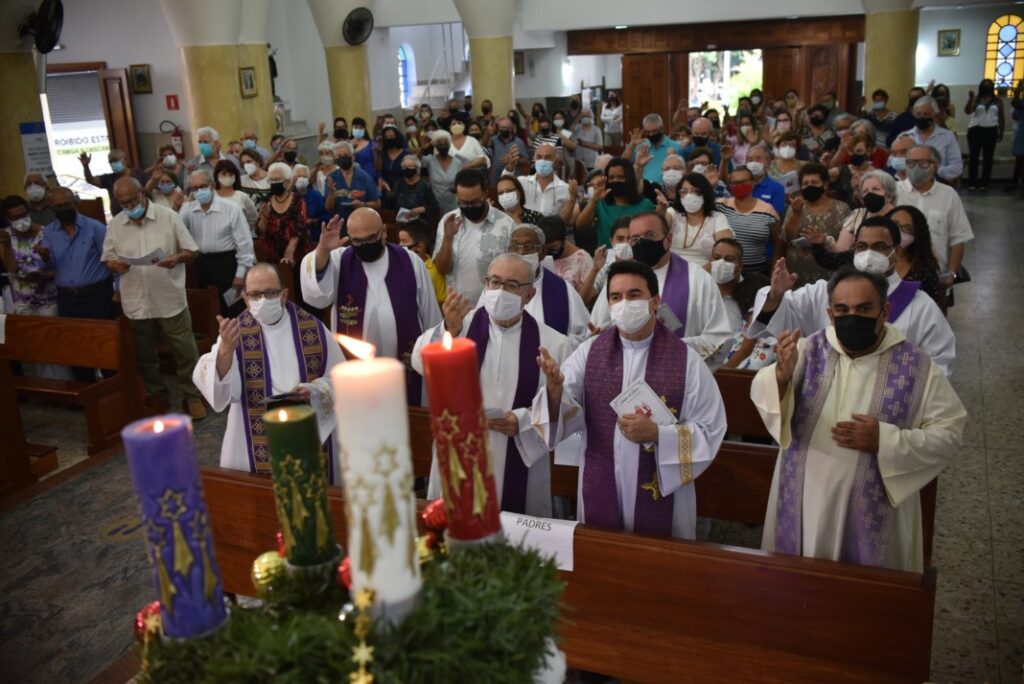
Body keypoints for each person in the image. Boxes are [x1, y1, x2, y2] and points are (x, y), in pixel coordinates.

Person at [754, 267, 966, 572]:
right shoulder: (808, 350)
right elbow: (765, 398)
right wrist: (780, 377)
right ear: (830, 313)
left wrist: (885, 439)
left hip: (874, 511)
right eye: (842, 309)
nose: (852, 316)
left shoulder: (916, 367)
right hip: (804, 503)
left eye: (864, 308)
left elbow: (950, 433)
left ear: (885, 311)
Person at [533, 259, 727, 539]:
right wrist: (553, 389)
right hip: (601, 479)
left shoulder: (686, 360)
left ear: (655, 301)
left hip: (660, 489)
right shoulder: (590, 352)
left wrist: (660, 434)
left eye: (634, 295)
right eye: (616, 297)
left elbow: (711, 428)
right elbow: (562, 415)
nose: (624, 303)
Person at [413, 254, 572, 515]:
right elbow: (422, 364)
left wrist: (522, 421)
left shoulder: (554, 344)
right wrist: (449, 331)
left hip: (520, 455)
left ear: (529, 294)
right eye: (494, 282)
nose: (500, 291)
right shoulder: (460, 327)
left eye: (511, 285)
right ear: (485, 284)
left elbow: (567, 409)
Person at [747, 217, 956, 376]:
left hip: (887, 407)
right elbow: (779, 319)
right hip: (827, 396)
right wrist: (775, 296)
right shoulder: (824, 292)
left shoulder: (920, 306)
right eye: (862, 247)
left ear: (898, 251)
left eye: (880, 247)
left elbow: (939, 365)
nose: (869, 254)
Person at [193, 263, 344, 481]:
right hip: (254, 437)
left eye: (270, 293)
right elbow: (220, 393)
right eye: (255, 295)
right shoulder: (234, 332)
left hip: (305, 426)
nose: (263, 300)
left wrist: (312, 392)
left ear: (284, 295)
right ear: (245, 298)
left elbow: (341, 379)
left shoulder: (314, 328)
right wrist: (225, 351)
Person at [301, 208, 441, 405]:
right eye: (357, 241)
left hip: (407, 370)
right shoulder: (339, 260)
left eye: (370, 238)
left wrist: (429, 354)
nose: (365, 245)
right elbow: (317, 297)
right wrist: (323, 251)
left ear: (383, 231)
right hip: (356, 373)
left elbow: (430, 314)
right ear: (349, 237)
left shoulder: (410, 261)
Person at [103, 177, 205, 417]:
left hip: (169, 297)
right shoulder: (116, 224)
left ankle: (192, 397)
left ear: (142, 193)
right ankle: (157, 395)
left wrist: (175, 259)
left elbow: (192, 251)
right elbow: (108, 258)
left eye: (132, 200)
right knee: (145, 354)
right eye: (123, 203)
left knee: (185, 351)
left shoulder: (167, 216)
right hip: (136, 299)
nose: (129, 207)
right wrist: (114, 265)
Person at [589, 212, 732, 359]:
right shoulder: (619, 279)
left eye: (650, 236)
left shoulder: (697, 279)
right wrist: (599, 338)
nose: (642, 243)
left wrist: (672, 347)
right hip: (624, 368)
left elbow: (719, 339)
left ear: (668, 239)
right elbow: (597, 326)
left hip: (676, 369)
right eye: (635, 238)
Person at [432, 169, 516, 304]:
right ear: (457, 198)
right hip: (458, 307)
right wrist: (448, 238)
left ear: (485, 194)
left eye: (476, 202)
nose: (470, 207)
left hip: (493, 307)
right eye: (464, 203)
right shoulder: (448, 221)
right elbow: (441, 270)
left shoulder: (506, 224)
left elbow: (513, 270)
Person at [179, 169, 256, 316]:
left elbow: (244, 244)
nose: (199, 191)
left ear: (212, 185)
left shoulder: (231, 208)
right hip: (202, 263)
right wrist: (183, 205)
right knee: (211, 309)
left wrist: (240, 274)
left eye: (202, 186)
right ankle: (219, 339)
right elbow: (177, 228)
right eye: (194, 188)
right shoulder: (189, 209)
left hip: (227, 264)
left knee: (234, 309)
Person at [895, 145, 973, 283]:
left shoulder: (948, 195)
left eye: (923, 163)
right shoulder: (895, 192)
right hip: (898, 275)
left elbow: (958, 239)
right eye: (911, 163)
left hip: (937, 275)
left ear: (936, 165)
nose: (915, 168)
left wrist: (951, 274)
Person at [505, 223, 590, 349]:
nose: (521, 252)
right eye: (515, 246)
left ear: (543, 252)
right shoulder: (498, 287)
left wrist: (555, 346)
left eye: (529, 246)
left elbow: (583, 335)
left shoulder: (563, 290)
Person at [704, 238, 774, 370]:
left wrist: (725, 371)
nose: (721, 263)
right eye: (716, 258)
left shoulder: (755, 290)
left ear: (740, 265)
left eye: (729, 259)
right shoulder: (701, 290)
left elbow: (749, 346)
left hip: (737, 365)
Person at [782, 163, 849, 285]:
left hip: (828, 274)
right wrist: (796, 214)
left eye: (814, 182)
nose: (809, 186)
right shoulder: (795, 207)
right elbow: (788, 237)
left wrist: (825, 242)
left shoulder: (842, 208)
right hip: (797, 274)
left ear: (825, 184)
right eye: (805, 183)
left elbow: (845, 244)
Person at [577, 157, 656, 248]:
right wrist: (594, 202)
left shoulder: (645, 205)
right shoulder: (600, 203)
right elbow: (581, 226)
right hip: (606, 258)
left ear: (629, 179)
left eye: (620, 177)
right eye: (611, 177)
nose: (615, 180)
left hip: (637, 258)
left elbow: (652, 235)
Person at [716, 166, 781, 276]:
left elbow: (778, 245)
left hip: (758, 273)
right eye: (734, 182)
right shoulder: (721, 206)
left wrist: (774, 272)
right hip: (726, 272)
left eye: (744, 181)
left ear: (753, 183)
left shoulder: (768, 211)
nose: (739, 185)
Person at [0, 195, 57, 317]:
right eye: (14, 218)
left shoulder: (46, 233)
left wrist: (43, 274)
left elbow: (59, 267)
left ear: (28, 212)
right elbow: (11, 269)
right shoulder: (5, 236)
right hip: (22, 301)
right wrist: (7, 245)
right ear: (7, 219)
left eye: (23, 215)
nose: (20, 220)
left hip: (48, 299)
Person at [665, 172, 733, 267]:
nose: (689, 196)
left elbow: (726, 250)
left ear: (705, 193)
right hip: (672, 271)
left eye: (695, 191)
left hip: (706, 273)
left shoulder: (717, 218)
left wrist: (699, 276)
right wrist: (660, 211)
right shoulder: (673, 213)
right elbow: (657, 229)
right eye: (684, 192)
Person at [829, 170, 897, 253]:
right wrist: (827, 243)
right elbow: (841, 250)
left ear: (889, 195)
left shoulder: (900, 216)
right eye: (865, 191)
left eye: (875, 189)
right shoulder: (856, 215)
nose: (870, 193)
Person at [502, 143, 575, 220]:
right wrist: (510, 167)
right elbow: (504, 187)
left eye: (547, 157)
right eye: (539, 157)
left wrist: (573, 199)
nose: (542, 161)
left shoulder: (565, 189)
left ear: (555, 161)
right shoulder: (522, 182)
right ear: (534, 159)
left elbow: (567, 220)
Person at [256, 162, 304, 266]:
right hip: (271, 253)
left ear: (286, 182)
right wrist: (265, 217)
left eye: (277, 179)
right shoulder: (266, 201)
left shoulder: (297, 200)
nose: (274, 183)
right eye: (271, 180)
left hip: (295, 252)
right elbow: (261, 231)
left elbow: (300, 228)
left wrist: (290, 250)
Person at [906, 97, 963, 183]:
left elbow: (957, 166)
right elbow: (895, 163)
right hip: (910, 184)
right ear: (914, 114)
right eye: (918, 114)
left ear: (934, 114)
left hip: (940, 184)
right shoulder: (905, 137)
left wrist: (935, 170)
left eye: (926, 114)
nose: (922, 117)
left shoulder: (947, 136)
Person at [580, 217, 633, 307]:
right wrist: (594, 269)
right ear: (611, 241)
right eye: (620, 239)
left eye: (630, 239)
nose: (625, 244)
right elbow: (583, 301)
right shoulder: (605, 260)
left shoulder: (647, 262)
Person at [77, 149, 148, 216]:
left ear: (125, 160)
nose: (113, 164)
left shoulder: (139, 174)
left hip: (140, 214)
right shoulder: (109, 178)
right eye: (110, 162)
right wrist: (86, 166)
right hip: (119, 219)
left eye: (115, 160)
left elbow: (149, 192)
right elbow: (91, 180)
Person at [323, 140, 381, 221]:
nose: (343, 158)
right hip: (340, 224)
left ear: (352, 156)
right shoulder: (331, 178)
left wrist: (362, 204)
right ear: (335, 159)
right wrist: (331, 192)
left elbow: (377, 203)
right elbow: (328, 208)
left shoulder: (365, 177)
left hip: (362, 222)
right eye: (339, 156)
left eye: (346, 155)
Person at [964, 79, 1005, 191]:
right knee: (974, 158)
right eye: (985, 85)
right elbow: (967, 111)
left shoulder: (997, 100)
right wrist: (971, 99)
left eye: (989, 85)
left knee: (988, 158)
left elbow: (1001, 116)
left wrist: (1001, 130)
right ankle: (972, 183)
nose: (987, 87)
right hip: (975, 130)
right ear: (981, 87)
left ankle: (984, 184)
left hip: (991, 130)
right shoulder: (977, 99)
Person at [539, 214, 593, 293]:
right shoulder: (541, 257)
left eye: (553, 247)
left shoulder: (583, 259)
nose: (549, 252)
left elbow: (588, 295)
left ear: (564, 239)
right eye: (545, 249)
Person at [626, 114, 684, 185]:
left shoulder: (676, 147)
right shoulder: (642, 145)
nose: (651, 134)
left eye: (654, 131)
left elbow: (684, 171)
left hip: (666, 189)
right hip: (643, 189)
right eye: (648, 132)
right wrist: (631, 145)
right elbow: (623, 163)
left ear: (662, 129)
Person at [398, 220, 446, 304]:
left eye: (404, 241)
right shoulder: (398, 266)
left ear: (419, 246)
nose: (400, 245)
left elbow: (441, 302)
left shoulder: (435, 271)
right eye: (400, 241)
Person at [421, 130, 464, 217]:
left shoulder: (457, 162)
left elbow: (460, 182)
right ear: (435, 146)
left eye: (445, 144)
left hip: (453, 203)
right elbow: (416, 161)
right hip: (435, 204)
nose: (443, 147)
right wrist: (423, 148)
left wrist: (457, 188)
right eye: (440, 145)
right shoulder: (429, 160)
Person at [214, 159, 258, 234]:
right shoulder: (212, 196)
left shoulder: (242, 196)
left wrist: (244, 231)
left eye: (231, 174)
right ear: (217, 176)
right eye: (224, 174)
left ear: (235, 176)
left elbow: (253, 217)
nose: (227, 177)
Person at [394, 155, 438, 224]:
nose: (407, 169)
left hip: (421, 222)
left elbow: (434, 205)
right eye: (404, 167)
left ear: (417, 168)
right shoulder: (399, 184)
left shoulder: (425, 185)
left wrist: (420, 209)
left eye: (410, 166)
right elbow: (394, 203)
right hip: (402, 221)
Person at [745, 145, 786, 217]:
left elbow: (776, 218)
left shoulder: (777, 189)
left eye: (758, 159)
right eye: (750, 160)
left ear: (768, 163)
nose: (754, 163)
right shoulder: (741, 185)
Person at [489, 117, 531, 186]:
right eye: (502, 127)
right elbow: (483, 146)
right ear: (499, 128)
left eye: (506, 128)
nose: (504, 130)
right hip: (495, 180)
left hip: (512, 180)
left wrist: (514, 160)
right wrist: (489, 132)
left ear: (511, 128)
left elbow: (526, 161)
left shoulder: (518, 142)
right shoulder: (493, 140)